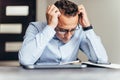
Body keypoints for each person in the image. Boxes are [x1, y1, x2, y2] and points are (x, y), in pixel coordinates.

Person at [18, 0, 108, 65]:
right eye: (62, 30)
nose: (68, 36)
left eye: (72, 30)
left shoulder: (79, 29)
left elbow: (102, 60)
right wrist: (50, 27)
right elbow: (25, 60)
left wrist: (87, 27)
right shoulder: (35, 28)